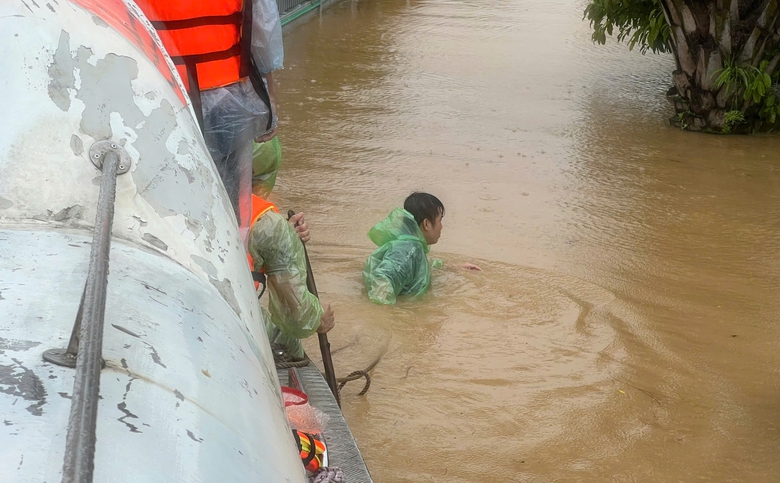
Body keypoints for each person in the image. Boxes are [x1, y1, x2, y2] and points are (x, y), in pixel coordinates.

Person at [136, 0, 284, 239]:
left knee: (162, 195)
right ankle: (231, 261)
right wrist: (270, 100)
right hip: (226, 96)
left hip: (157, 94)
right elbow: (263, 32)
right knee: (229, 204)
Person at [246, 185, 335, 360]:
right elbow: (298, 318)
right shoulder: (267, 221)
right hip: (227, 319)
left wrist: (288, 235)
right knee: (288, 341)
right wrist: (317, 317)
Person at [363, 192, 481, 305]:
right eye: (440, 220)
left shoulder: (412, 247)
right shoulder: (409, 249)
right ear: (426, 224)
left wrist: (453, 267)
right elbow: (382, 279)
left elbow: (415, 265)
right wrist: (388, 317)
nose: (441, 227)